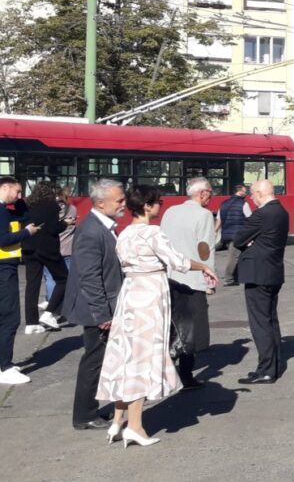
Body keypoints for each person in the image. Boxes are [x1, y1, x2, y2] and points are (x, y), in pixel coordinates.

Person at [96, 185, 218, 448]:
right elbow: (178, 261)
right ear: (148, 206)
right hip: (150, 295)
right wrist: (204, 266)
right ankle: (136, 427)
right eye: (158, 202)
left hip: (130, 295)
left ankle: (118, 421)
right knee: (143, 358)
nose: (160, 206)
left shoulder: (125, 233)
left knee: (125, 355)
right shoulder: (153, 233)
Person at [63, 179, 126, 430]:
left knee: (98, 360)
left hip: (103, 306)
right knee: (94, 361)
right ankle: (85, 415)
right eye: (119, 200)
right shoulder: (91, 230)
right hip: (96, 310)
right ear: (101, 203)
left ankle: (89, 410)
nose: (124, 204)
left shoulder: (104, 226)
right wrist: (103, 314)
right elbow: (89, 277)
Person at [160, 177, 217, 390]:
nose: (211, 195)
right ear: (201, 194)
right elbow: (205, 250)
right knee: (191, 330)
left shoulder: (170, 211)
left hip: (169, 276)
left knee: (172, 326)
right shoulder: (204, 215)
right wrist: (209, 279)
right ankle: (186, 376)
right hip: (192, 279)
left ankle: (164, 373)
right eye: (210, 192)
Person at [233, 179, 289, 385]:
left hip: (258, 274)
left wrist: (251, 241)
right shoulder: (281, 211)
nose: (251, 199)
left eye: (252, 195)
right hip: (273, 272)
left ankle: (266, 370)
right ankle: (272, 367)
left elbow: (238, 239)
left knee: (260, 324)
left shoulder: (262, 214)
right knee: (271, 321)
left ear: (259, 193)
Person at [0, 176, 39, 386]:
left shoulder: (6, 208)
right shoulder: (1, 211)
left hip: (6, 266)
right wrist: (26, 232)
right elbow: (2, 239)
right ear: (4, 187)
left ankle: (3, 362)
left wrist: (20, 201)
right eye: (17, 191)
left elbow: (26, 214)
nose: (19, 196)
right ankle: (4, 367)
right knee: (10, 317)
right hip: (4, 267)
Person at [21, 182, 72, 334]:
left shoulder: (27, 204)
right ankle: (49, 313)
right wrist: (65, 223)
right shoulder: (52, 206)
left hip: (29, 248)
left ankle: (30, 323)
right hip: (48, 249)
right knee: (64, 279)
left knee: (32, 285)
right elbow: (53, 228)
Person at [43, 186, 78, 307]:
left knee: (50, 278)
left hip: (51, 249)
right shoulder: (72, 209)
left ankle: (52, 305)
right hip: (68, 249)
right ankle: (63, 304)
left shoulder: (48, 210)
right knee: (65, 279)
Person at [215, 184, 252, 286]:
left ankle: (236, 278)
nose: (246, 194)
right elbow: (250, 219)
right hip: (238, 235)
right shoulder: (243, 204)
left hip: (226, 234)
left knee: (235, 255)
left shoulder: (224, 203)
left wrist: (214, 232)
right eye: (245, 192)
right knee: (233, 257)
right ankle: (229, 279)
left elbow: (219, 219)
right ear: (239, 191)